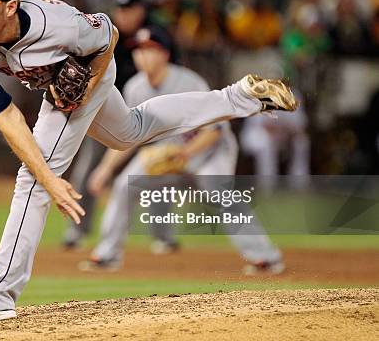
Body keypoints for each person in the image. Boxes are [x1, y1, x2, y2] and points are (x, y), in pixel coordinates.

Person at [0, 0, 297, 323]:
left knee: (31, 184)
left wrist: (87, 88)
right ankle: (240, 98)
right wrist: (50, 175)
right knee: (130, 132)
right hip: (63, 89)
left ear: (11, 6)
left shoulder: (58, 24)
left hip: (91, 74)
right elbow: (7, 116)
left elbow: (109, 35)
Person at [78, 25, 284, 275]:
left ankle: (265, 257)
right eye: (138, 50)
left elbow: (215, 130)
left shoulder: (188, 81)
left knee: (219, 193)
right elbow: (126, 137)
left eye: (150, 50)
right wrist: (105, 169)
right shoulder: (135, 87)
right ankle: (108, 255)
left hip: (210, 151)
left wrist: (185, 155)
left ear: (165, 54)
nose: (142, 55)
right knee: (124, 185)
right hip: (171, 152)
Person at [62, 0, 152, 250]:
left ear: (140, 11)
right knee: (88, 170)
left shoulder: (156, 36)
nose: (123, 15)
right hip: (107, 113)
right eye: (120, 9)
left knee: (154, 170)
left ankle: (161, 237)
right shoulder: (106, 33)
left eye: (129, 9)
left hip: (146, 113)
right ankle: (77, 231)